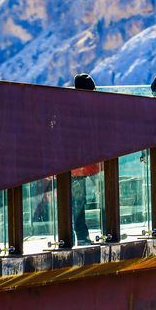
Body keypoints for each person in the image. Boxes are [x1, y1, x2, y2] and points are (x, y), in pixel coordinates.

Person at [70, 73, 102, 244]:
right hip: (95, 161)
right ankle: (109, 230)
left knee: (78, 202)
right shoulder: (94, 108)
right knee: (104, 195)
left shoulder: (68, 107)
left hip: (76, 164)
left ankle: (82, 236)